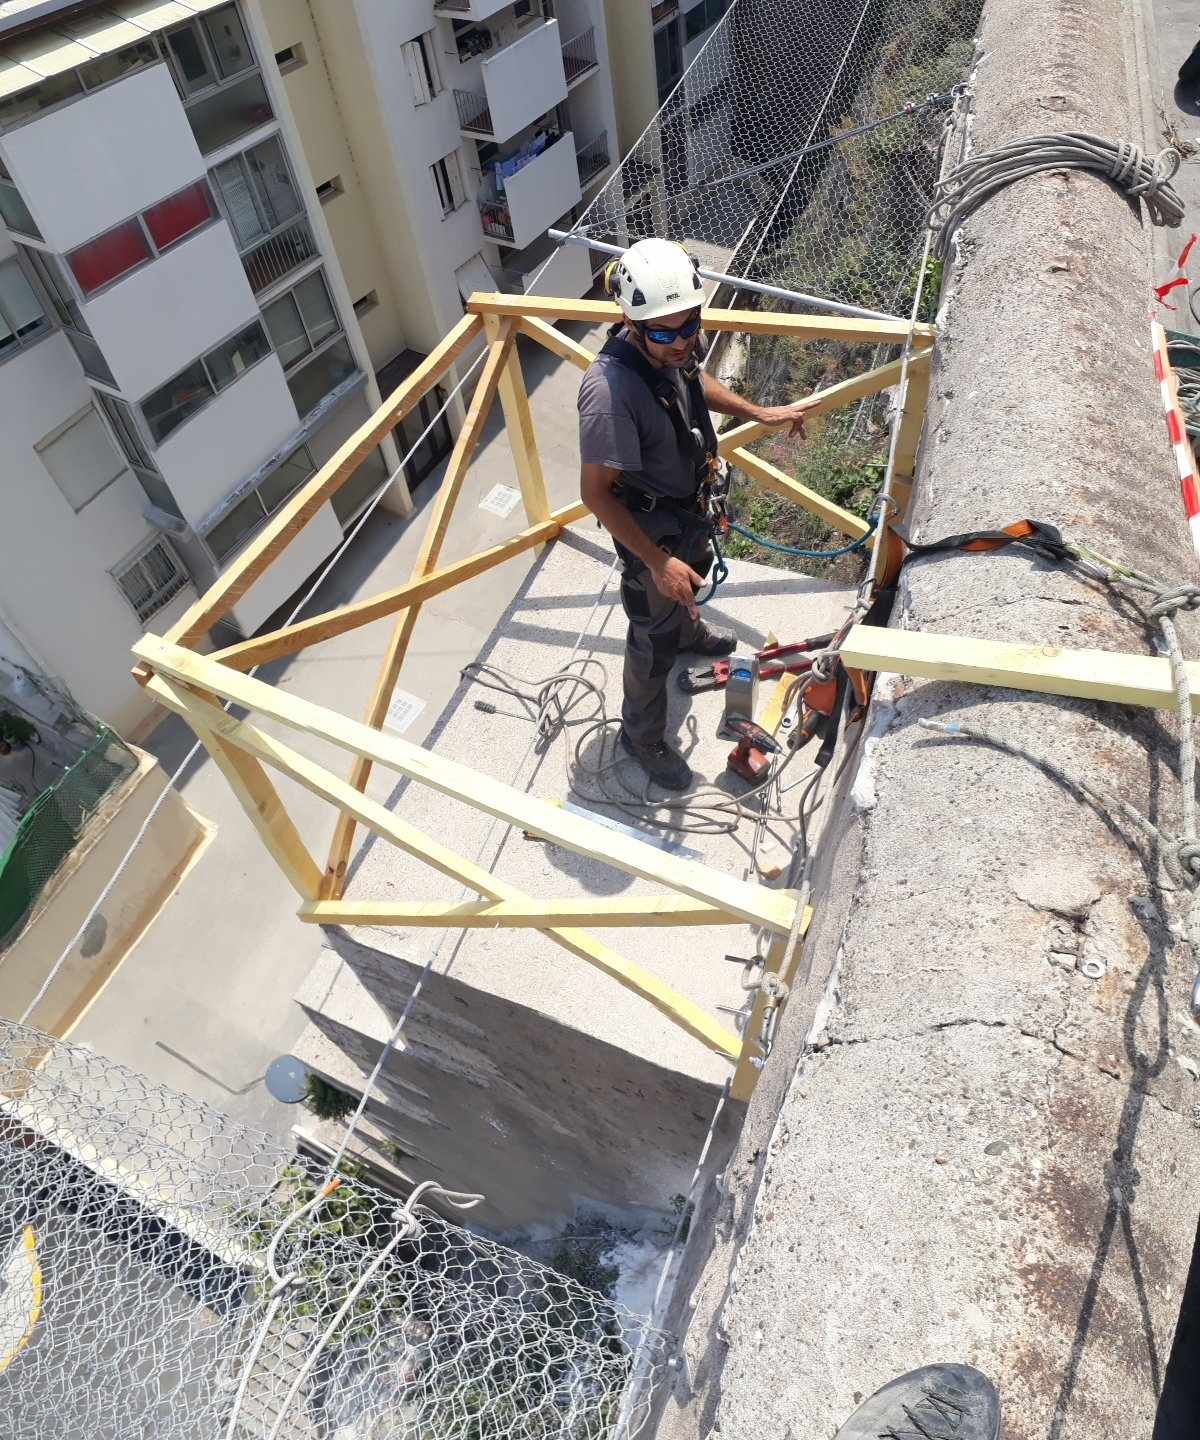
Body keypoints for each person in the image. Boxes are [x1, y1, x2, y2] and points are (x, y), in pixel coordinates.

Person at [576, 237, 810, 790]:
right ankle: (641, 735)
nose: (683, 340)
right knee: (649, 637)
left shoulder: (672, 343)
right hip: (650, 528)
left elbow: (692, 379)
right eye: (665, 332)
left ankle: (687, 632)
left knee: (685, 592)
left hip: (688, 510)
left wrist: (758, 411)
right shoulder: (609, 394)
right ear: (632, 325)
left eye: (689, 325)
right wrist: (656, 562)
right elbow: (595, 494)